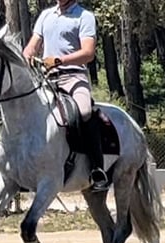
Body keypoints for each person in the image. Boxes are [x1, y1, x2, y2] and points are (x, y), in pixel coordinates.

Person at [23, 0, 109, 192]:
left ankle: (96, 169)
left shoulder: (84, 16)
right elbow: (32, 45)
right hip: (46, 78)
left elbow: (88, 53)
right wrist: (27, 54)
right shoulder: (46, 15)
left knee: (85, 112)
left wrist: (60, 60)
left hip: (73, 76)